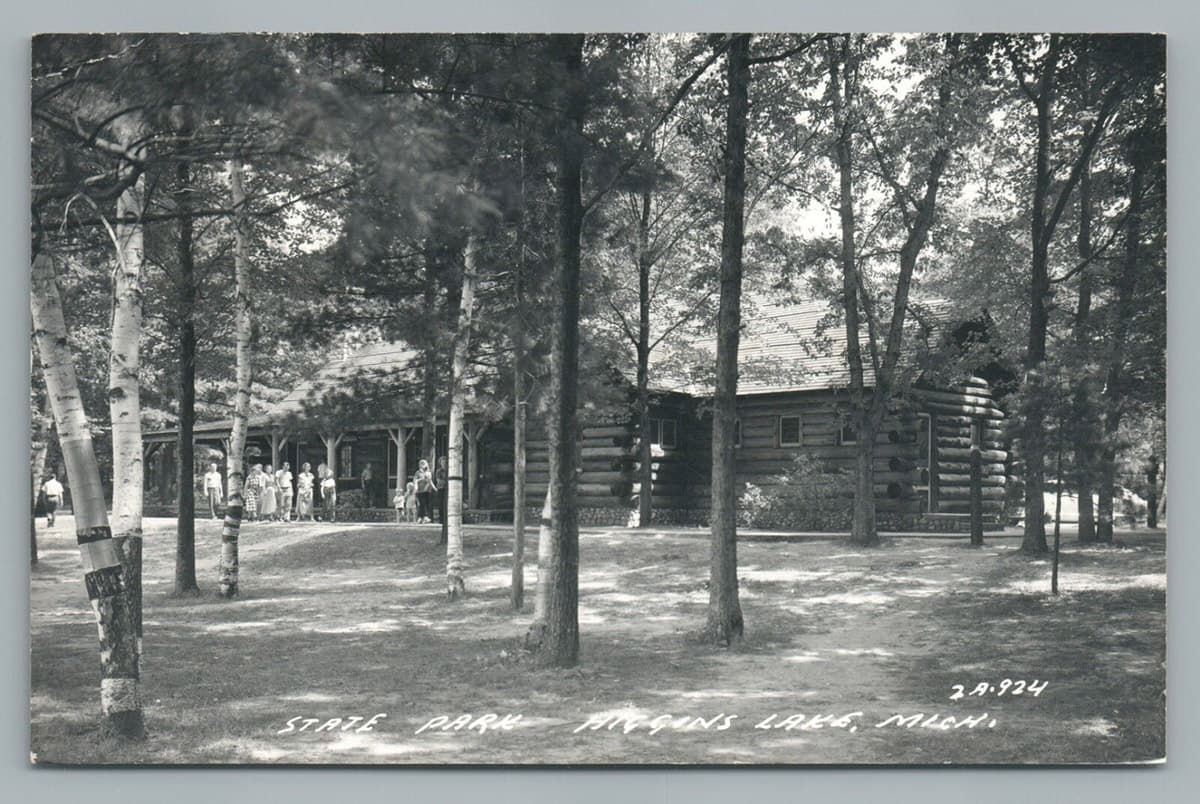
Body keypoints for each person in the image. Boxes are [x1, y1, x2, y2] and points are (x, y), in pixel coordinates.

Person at [414, 459, 435, 524]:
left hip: (427, 490)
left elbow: (430, 481)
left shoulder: (428, 472)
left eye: (424, 463)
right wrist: (416, 488)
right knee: (421, 504)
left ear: (426, 464)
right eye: (421, 463)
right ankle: (420, 517)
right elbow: (415, 480)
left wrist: (434, 488)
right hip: (420, 491)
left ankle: (425, 517)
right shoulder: (418, 472)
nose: (422, 465)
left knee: (427, 504)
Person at [435, 455, 449, 529]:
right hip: (441, 488)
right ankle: (441, 519)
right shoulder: (439, 471)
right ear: (440, 463)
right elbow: (439, 481)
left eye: (445, 462)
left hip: (448, 489)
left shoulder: (449, 470)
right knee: (441, 504)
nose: (444, 463)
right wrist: (446, 482)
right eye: (442, 462)